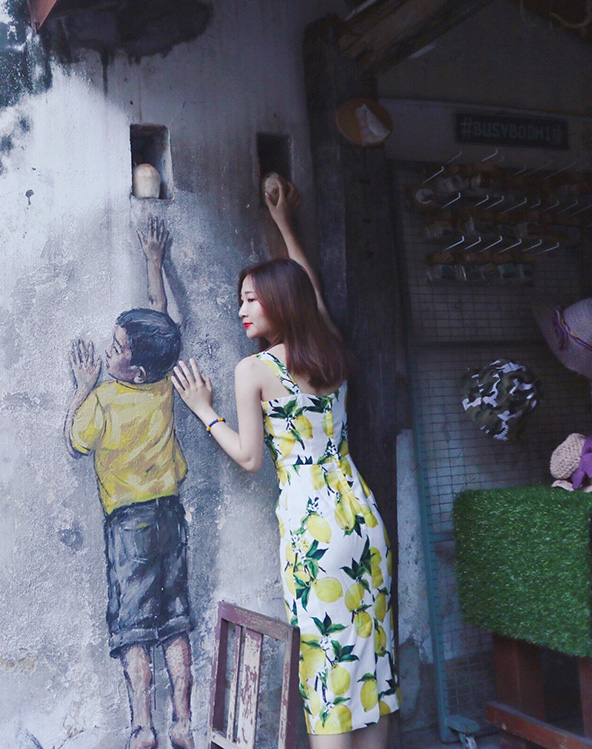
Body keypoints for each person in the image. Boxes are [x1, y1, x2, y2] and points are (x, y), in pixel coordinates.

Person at [171, 176, 399, 748]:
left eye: (251, 298)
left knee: (326, 674)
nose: (240, 308)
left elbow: (250, 458)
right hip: (363, 518)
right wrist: (284, 226)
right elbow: (308, 289)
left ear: (278, 302)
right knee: (371, 664)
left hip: (314, 531)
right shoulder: (329, 350)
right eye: (240, 298)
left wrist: (204, 411)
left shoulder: (255, 371)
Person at [65, 217, 195, 749]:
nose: (110, 348)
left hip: (128, 525)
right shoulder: (160, 382)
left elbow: (76, 441)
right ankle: (184, 721)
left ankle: (143, 727)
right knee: (177, 618)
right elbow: (160, 321)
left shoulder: (103, 398)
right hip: (171, 514)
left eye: (117, 347)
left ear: (134, 369)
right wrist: (153, 261)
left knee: (134, 627)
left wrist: (81, 386)